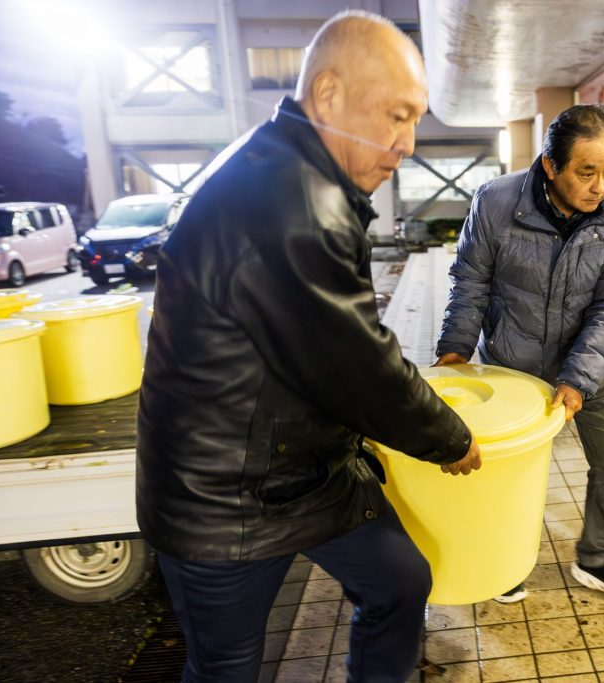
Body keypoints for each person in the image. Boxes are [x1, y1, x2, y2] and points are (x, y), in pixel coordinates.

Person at [136, 12, 482, 683]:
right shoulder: (295, 198)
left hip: (303, 476)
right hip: (223, 503)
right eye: (396, 116)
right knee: (226, 669)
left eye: (416, 120)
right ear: (327, 94)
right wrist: (450, 438)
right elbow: (359, 365)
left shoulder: (297, 170)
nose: (407, 143)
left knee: (399, 581)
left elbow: (333, 351)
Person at [435, 105, 604, 605]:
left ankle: (597, 558)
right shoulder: (495, 201)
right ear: (551, 166)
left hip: (588, 366)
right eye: (586, 171)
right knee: (499, 469)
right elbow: (471, 281)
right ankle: (503, 558)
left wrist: (578, 377)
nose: (601, 184)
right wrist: (454, 350)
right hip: (508, 365)